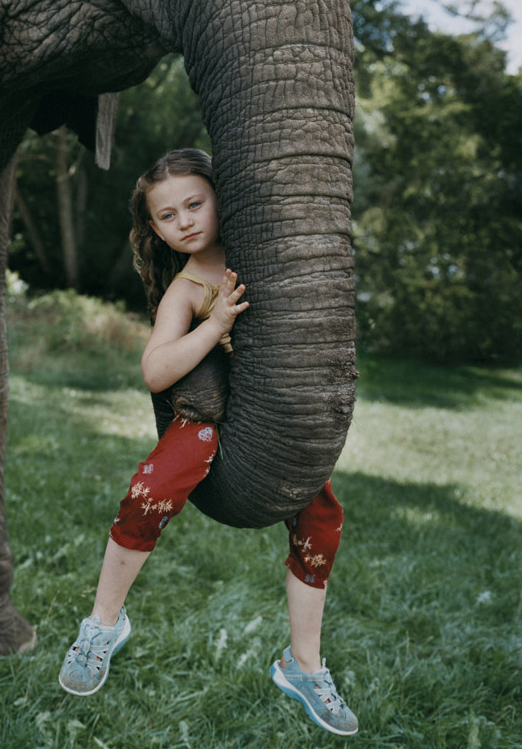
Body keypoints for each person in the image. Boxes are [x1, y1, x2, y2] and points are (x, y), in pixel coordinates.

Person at [57, 149, 358, 737]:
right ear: (155, 231)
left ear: (224, 197)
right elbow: (155, 370)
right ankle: (102, 624)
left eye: (196, 203)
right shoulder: (187, 288)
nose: (186, 221)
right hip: (207, 424)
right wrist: (214, 326)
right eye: (168, 216)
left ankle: (303, 665)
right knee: (150, 489)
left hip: (272, 430)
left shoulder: (265, 256)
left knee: (322, 516)